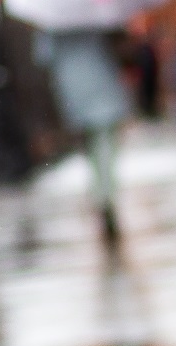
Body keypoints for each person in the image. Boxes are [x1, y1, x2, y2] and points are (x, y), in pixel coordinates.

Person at [34, 30, 132, 250]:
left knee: (90, 150)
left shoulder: (52, 23)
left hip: (73, 93)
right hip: (103, 85)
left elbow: (43, 57)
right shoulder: (94, 17)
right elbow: (118, 46)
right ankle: (106, 194)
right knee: (106, 147)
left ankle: (100, 194)